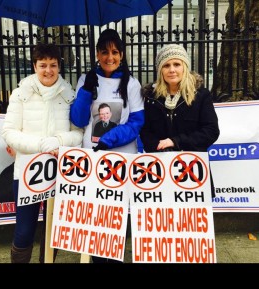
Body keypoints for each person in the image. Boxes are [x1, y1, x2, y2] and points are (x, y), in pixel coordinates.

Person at [1, 43, 83, 263]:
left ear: (59, 66)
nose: (48, 70)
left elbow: (78, 133)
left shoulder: (69, 94)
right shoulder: (21, 93)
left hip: (60, 172)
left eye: (53, 65)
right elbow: (9, 132)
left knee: (53, 228)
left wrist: (58, 141)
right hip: (28, 172)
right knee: (24, 229)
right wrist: (42, 145)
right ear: (35, 66)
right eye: (43, 65)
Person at [70, 28, 144, 263]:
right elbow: (79, 120)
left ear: (121, 54)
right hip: (92, 158)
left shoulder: (131, 83)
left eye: (114, 52)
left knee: (116, 217)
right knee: (96, 217)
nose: (109, 57)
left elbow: (136, 123)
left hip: (121, 157)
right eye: (104, 52)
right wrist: (84, 92)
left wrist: (109, 139)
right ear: (97, 54)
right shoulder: (86, 79)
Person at [140, 44, 220, 197]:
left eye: (177, 64)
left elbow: (211, 131)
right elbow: (145, 131)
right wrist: (157, 147)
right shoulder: (151, 97)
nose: (172, 70)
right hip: (160, 169)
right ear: (160, 70)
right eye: (166, 65)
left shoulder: (201, 95)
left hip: (193, 170)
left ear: (185, 66)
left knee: (192, 219)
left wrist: (176, 141)